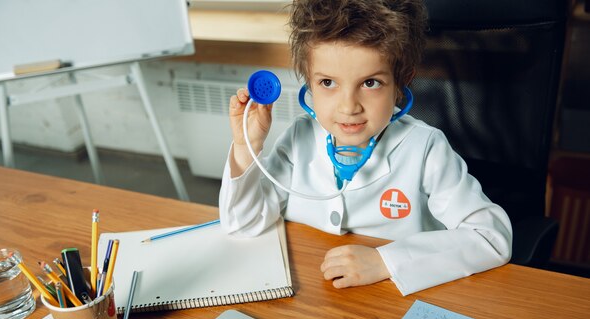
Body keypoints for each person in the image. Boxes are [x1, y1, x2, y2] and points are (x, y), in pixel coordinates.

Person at [219, 0, 512, 295]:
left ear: (401, 82)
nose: (349, 107)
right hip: (313, 295)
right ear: (309, 82)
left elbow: (491, 236)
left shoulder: (424, 149)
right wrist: (247, 146)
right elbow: (243, 224)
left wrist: (387, 261)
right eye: (328, 82)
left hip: (396, 298)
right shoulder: (299, 139)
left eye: (370, 82)